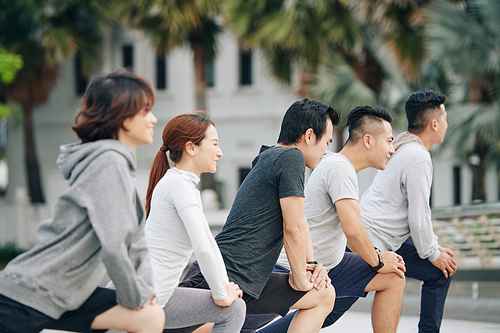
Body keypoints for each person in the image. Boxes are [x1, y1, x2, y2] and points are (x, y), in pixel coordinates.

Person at [0, 69, 165, 333]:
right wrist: (137, 297)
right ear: (122, 117)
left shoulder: (115, 164)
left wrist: (148, 290)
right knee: (148, 316)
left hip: (65, 295)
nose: (154, 119)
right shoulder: (108, 163)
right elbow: (114, 248)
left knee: (150, 317)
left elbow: (135, 242)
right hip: (29, 295)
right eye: (145, 112)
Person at [180, 99, 337, 333]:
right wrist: (299, 279)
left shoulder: (269, 155)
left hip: (239, 281)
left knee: (323, 294)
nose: (326, 150)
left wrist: (310, 265)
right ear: (309, 135)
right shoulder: (291, 157)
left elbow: (299, 220)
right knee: (322, 294)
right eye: (327, 142)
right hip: (218, 279)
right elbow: (291, 227)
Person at [256, 106, 406, 333]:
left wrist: (379, 259)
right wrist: (378, 261)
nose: (392, 150)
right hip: (293, 267)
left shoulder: (339, 166)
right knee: (243, 323)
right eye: (388, 141)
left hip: (331, 264)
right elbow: (353, 230)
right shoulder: (339, 167)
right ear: (368, 140)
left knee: (394, 278)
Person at [359, 90, 457, 333]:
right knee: (329, 307)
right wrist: (433, 254)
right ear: (434, 123)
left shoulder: (403, 146)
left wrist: (433, 249)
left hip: (379, 237)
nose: (446, 124)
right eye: (444, 118)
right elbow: (419, 217)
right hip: (372, 242)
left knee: (440, 270)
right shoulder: (418, 156)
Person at [144, 112, 246, 332]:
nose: (219, 152)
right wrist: (221, 295)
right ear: (191, 148)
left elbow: (209, 242)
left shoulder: (181, 184)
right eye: (215, 144)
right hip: (142, 300)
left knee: (234, 308)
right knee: (232, 309)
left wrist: (225, 287)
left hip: (159, 296)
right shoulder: (179, 185)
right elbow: (202, 249)